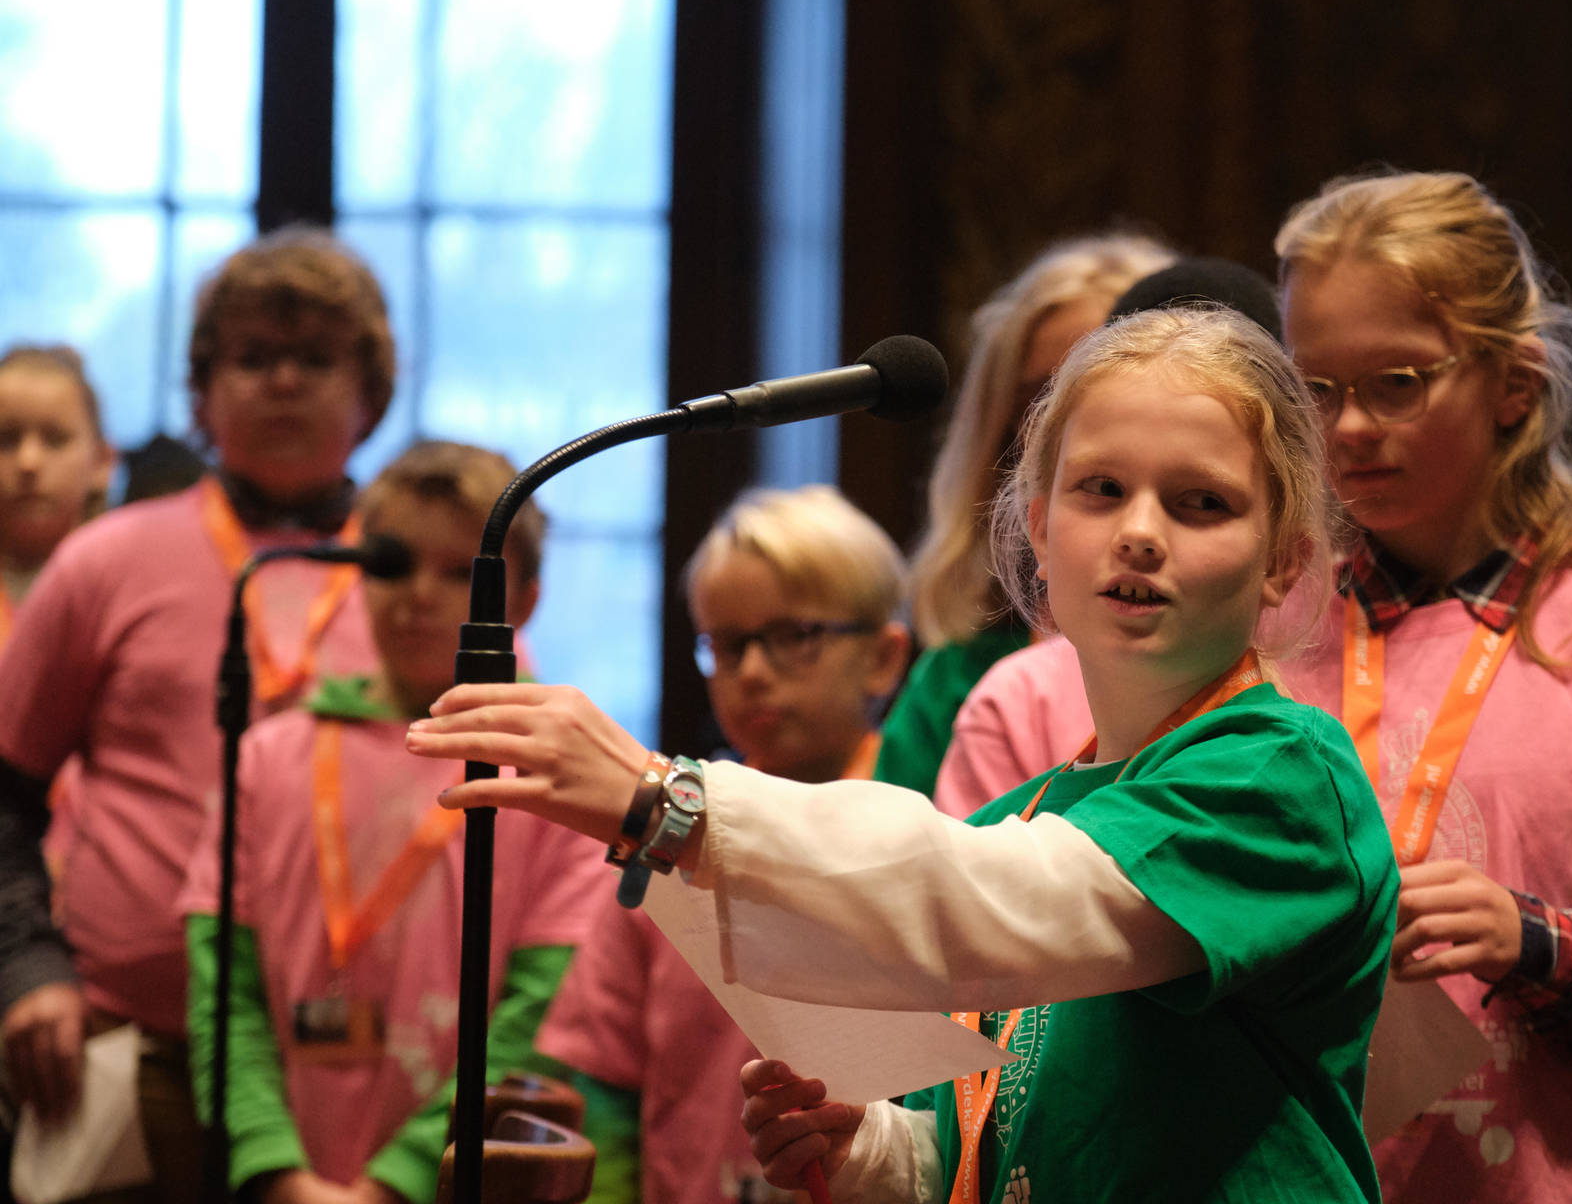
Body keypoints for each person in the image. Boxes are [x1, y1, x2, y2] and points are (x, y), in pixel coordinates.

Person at [928, 170, 1572, 1201]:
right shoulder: (1234, 611)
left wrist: (1536, 943)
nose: (1348, 428)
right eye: (1314, 388)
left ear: (1514, 385)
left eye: (1397, 382)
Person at [410, 305, 1400, 1202]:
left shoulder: (1282, 771)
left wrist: (670, 799)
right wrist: (875, 1151)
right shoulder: (1037, 806)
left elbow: (990, 900)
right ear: (1040, 528)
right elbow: (1013, 1144)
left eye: (1201, 504)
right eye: (1101, 489)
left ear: (1285, 560)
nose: (1139, 533)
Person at [0, 228, 394, 1200]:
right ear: (201, 395)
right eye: (252, 357)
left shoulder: (420, 582)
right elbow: (3, 794)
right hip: (131, 1053)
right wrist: (28, 965)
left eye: (315, 358)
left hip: (366, 1066)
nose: (284, 381)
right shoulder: (104, 562)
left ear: (371, 393)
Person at [179, 440, 603, 1204]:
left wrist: (398, 1182)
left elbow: (541, 1016)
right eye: (394, 563)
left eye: (458, 573)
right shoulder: (269, 755)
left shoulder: (559, 774)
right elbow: (224, 991)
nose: (418, 595)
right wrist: (274, 1169)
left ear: (526, 600)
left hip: (455, 1178)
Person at [536, 484, 910, 1204]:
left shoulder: (933, 825)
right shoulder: (668, 839)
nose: (753, 672)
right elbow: (605, 1087)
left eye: (796, 636)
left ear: (883, 658)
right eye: (728, 644)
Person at [873, 233, 1174, 797]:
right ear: (1006, 426)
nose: (1076, 423)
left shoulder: (1240, 659)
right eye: (1046, 395)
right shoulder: (957, 679)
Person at [0, 343, 115, 643]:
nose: (28, 462)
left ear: (102, 461)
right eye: (6, 440)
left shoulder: (124, 587)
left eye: (55, 439)